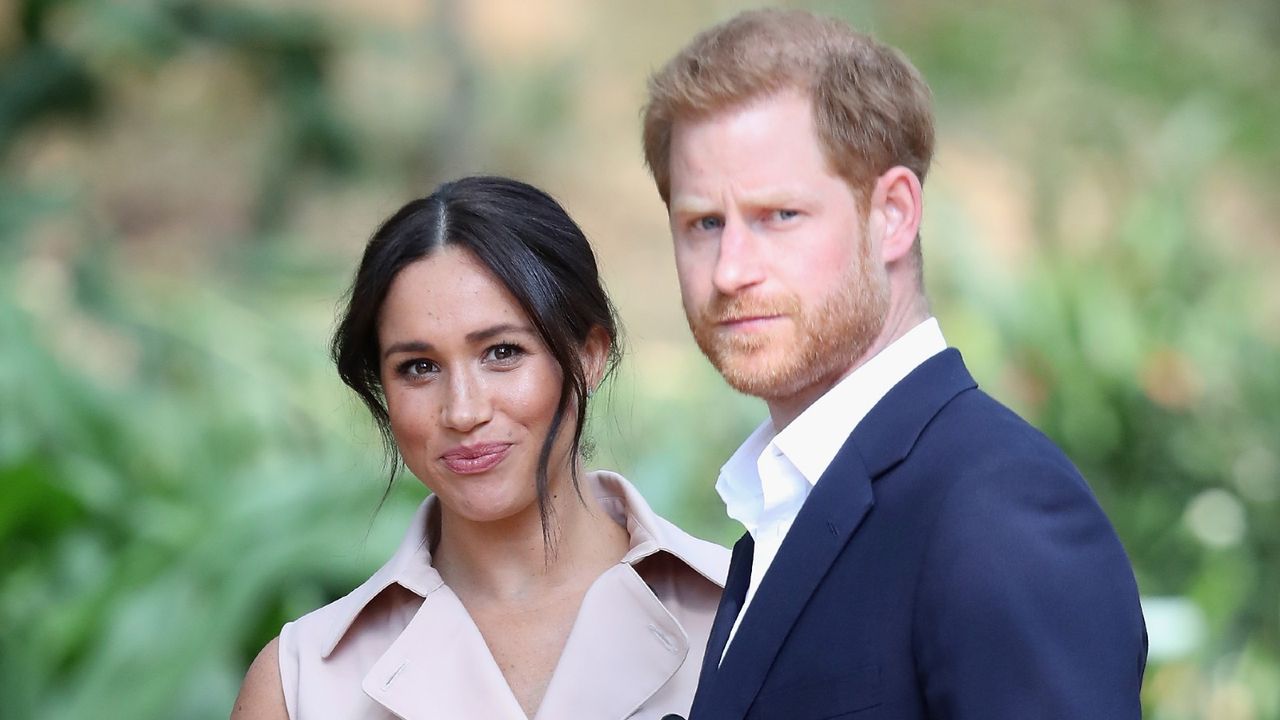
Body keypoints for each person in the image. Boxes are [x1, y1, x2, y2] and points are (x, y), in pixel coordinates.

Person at [640, 9, 1147, 719]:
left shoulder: (996, 510)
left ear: (894, 215)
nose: (730, 271)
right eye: (704, 224)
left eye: (778, 215)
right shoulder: (784, 509)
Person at [230, 176, 728, 720]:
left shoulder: (747, 613)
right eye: (419, 368)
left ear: (588, 357)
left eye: (502, 353)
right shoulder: (301, 682)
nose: (463, 411)